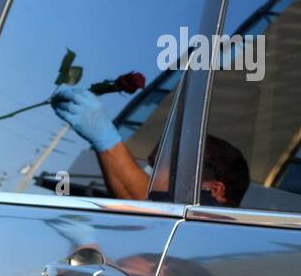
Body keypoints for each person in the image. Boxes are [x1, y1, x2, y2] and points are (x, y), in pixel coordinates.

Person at [50, 84, 249, 206]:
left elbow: (152, 206)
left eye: (165, 169)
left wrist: (107, 141)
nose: (145, 176)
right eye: (152, 168)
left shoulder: (208, 225)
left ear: (214, 190)